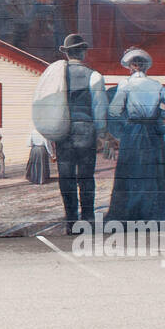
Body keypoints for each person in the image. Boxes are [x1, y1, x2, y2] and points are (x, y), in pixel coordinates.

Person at [107, 48, 165, 222]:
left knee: (131, 171)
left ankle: (130, 215)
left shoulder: (125, 84)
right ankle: (156, 214)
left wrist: (128, 113)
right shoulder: (157, 85)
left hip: (133, 132)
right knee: (155, 172)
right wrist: (159, 114)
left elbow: (114, 111)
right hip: (152, 133)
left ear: (131, 67)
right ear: (145, 67)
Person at [50, 34, 109, 230]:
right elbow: (100, 109)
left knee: (65, 177)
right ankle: (88, 218)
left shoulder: (56, 76)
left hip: (63, 130)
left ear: (67, 54)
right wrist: (101, 133)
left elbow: (48, 104)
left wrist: (49, 133)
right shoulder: (95, 76)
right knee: (86, 176)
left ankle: (70, 221)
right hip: (85, 131)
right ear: (83, 52)